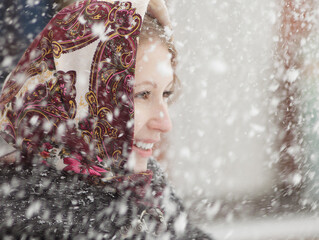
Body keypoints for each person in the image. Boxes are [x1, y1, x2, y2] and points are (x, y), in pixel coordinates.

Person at [0, 0, 213, 239]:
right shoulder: (34, 220)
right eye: (142, 94)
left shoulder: (144, 184)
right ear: (81, 98)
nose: (165, 123)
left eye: (165, 94)